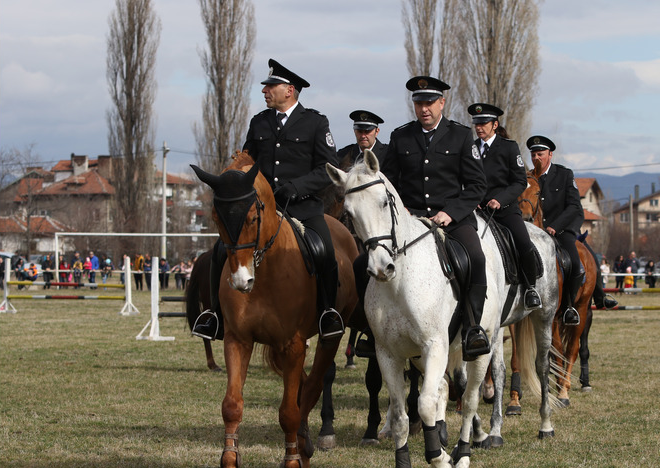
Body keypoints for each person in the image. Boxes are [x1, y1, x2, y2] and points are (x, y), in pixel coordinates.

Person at [193, 59, 344, 342]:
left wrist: (296, 187)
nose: (265, 90)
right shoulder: (259, 122)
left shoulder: (315, 123)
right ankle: (214, 315)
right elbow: (246, 160)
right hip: (260, 210)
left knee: (325, 250)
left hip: (301, 206)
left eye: (270, 86)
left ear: (289, 90)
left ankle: (327, 312)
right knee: (219, 250)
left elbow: (328, 168)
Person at [357, 75, 490, 360]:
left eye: (429, 102)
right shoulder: (400, 136)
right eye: (418, 103)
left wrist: (450, 213)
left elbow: (477, 186)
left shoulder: (461, 135)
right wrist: (401, 209)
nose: (424, 109)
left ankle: (473, 328)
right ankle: (370, 331)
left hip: (452, 220)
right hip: (409, 221)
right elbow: (387, 180)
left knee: (476, 259)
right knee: (360, 265)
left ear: (442, 103)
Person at [527, 135, 617, 324]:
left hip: (560, 231)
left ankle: (569, 307)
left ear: (550, 155)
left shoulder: (564, 175)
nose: (536, 158)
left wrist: (555, 227)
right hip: (534, 232)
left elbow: (574, 207)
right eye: (533, 154)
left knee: (575, 262)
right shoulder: (527, 178)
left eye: (540, 154)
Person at [469, 102, 542, 310]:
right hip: (476, 210)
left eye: (483, 123)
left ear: (495, 125)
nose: (479, 127)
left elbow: (520, 181)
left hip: (504, 210)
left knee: (523, 242)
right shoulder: (471, 148)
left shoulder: (509, 147)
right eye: (476, 123)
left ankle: (530, 288)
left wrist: (500, 200)